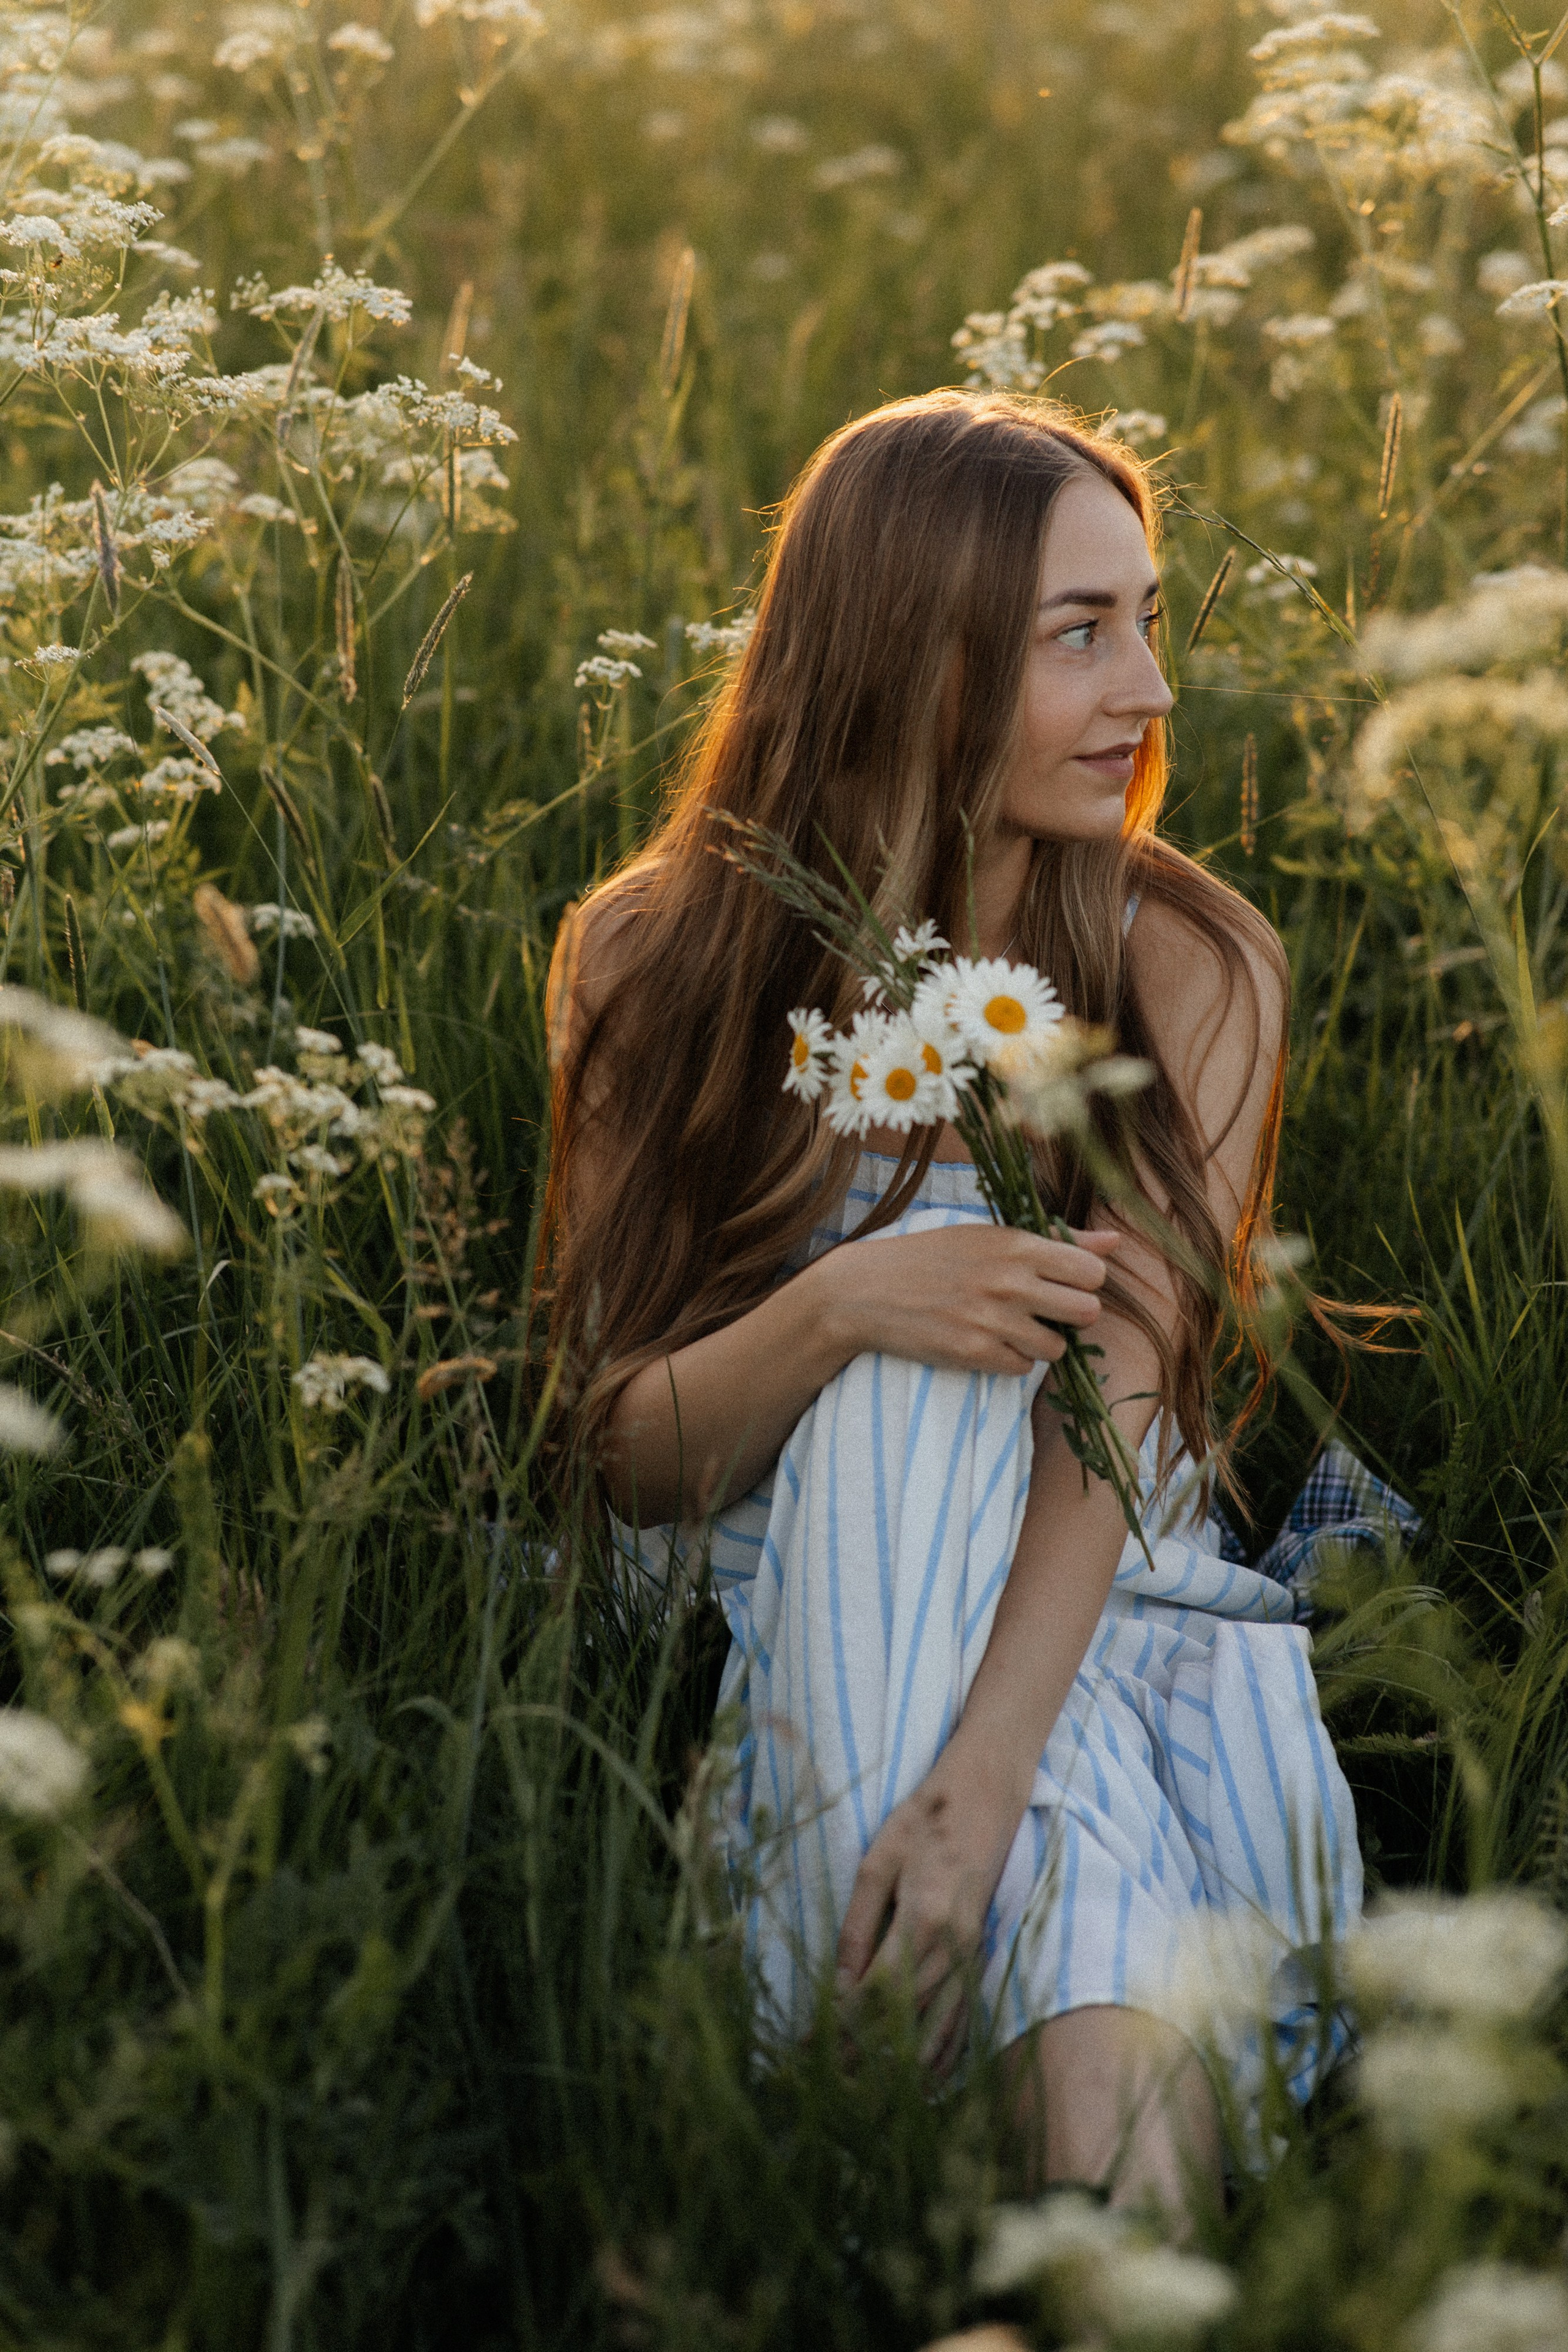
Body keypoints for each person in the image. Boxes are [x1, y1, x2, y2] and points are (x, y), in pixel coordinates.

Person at [542, 390, 1365, 2231]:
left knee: (1054, 1762)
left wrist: (983, 1781)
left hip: (1085, 1589)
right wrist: (841, 1307)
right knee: (915, 1387)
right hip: (767, 1576)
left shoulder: (1188, 960)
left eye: (1150, 619)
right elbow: (627, 1458)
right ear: (915, 659)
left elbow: (1125, 1424)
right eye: (1084, 633)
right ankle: (1072, 2237)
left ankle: (838, 2127)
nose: (1149, 689)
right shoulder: (653, 958)